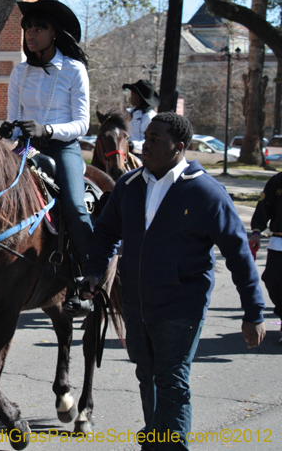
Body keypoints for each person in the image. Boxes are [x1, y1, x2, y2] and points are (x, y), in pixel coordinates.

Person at [82, 112, 265, 450]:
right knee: (147, 377)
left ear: (179, 147)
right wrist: (95, 270)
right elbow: (106, 232)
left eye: (155, 139)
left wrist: (253, 312)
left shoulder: (206, 193)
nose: (144, 144)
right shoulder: (129, 185)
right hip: (136, 304)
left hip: (181, 306)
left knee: (171, 381)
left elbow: (239, 254)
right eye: (146, 136)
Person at [0, 0, 92, 269]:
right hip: (26, 149)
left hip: (63, 149)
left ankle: (88, 274)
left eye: (39, 29)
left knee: (74, 206)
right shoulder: (19, 72)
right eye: (28, 29)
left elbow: (82, 124)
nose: (31, 35)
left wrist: (47, 129)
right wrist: (10, 130)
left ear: (54, 34)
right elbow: (14, 120)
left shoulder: (75, 70)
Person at [249, 171, 282, 345]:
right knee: (273, 280)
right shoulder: (277, 181)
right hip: (279, 241)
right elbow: (264, 207)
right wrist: (256, 231)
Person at [123, 78, 159, 155]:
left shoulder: (150, 117)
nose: (130, 97)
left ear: (137, 97)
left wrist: (132, 145)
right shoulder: (130, 113)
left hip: (141, 154)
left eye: (132, 95)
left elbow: (150, 140)